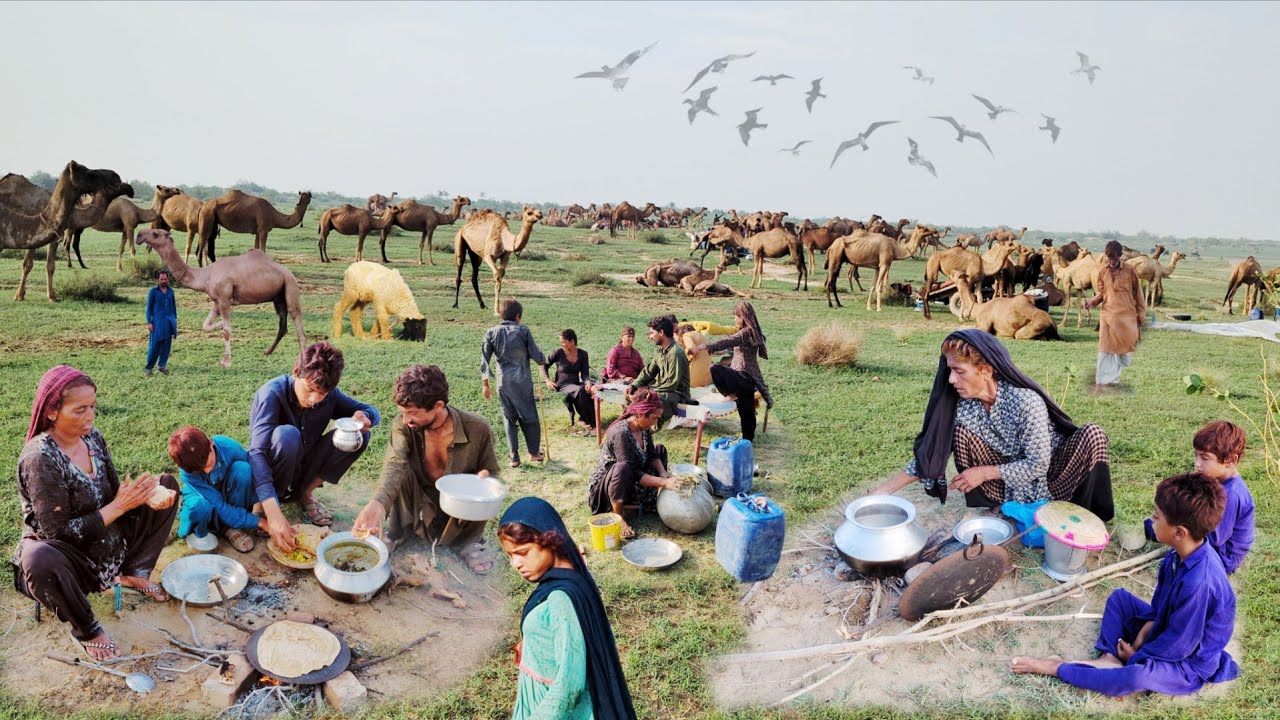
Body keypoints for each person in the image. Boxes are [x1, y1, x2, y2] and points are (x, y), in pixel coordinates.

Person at [1012, 472, 1240, 697]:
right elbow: (1158, 610)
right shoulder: (1177, 554)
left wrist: (1137, 657)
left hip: (1186, 662)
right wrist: (1140, 638)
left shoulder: (1199, 583)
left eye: (1157, 517)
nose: (1152, 520)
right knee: (1119, 600)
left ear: (1179, 532)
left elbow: (1177, 646)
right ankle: (1109, 659)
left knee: (1135, 677)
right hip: (1167, 628)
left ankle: (1058, 668)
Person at [12, 366, 178, 660]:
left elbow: (113, 490)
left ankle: (130, 573)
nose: (90, 417)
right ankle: (88, 630)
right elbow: (58, 533)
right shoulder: (40, 458)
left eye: (93, 407)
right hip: (68, 561)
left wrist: (145, 497)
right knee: (37, 557)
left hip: (106, 541)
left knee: (165, 484)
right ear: (52, 411)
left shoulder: (93, 438)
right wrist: (119, 507)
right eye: (80, 410)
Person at [870, 329, 1114, 521]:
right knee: (959, 431)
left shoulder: (1025, 402)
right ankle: (999, 505)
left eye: (959, 371)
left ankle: (1075, 514)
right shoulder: (963, 406)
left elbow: (1038, 464)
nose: (951, 379)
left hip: (1050, 479)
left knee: (1093, 434)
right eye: (949, 370)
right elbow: (931, 452)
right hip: (1004, 485)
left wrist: (983, 472)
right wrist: (884, 490)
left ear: (985, 370)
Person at [353, 365, 502, 574]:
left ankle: (467, 542)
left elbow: (491, 471)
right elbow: (395, 464)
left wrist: (483, 479)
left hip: (457, 504)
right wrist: (377, 504)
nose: (406, 420)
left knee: (478, 489)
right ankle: (396, 532)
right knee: (401, 471)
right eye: (403, 413)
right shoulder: (403, 426)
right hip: (417, 495)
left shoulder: (478, 429)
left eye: (412, 413)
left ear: (438, 405)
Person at [499, 497, 637, 720]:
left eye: (522, 552)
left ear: (549, 541)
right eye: (510, 555)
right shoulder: (572, 576)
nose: (516, 564)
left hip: (551, 707)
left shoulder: (561, 599)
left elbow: (569, 686)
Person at [249, 342, 379, 547]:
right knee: (287, 435)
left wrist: (365, 417)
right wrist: (272, 511)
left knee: (360, 436)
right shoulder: (272, 394)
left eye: (323, 394)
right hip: (277, 465)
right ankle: (266, 504)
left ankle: (305, 493)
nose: (315, 399)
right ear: (296, 373)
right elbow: (256, 453)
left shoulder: (329, 396)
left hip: (307, 462)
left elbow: (371, 410)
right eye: (310, 389)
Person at [1144, 420, 1254, 574]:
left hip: (1224, 556)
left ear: (1231, 461)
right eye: (1196, 456)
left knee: (1171, 531)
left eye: (1205, 458)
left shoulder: (1232, 494)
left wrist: (1173, 523)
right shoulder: (1215, 478)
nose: (1197, 464)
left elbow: (1213, 537)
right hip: (1214, 542)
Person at [588, 389, 679, 539]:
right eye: (654, 418)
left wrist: (663, 473)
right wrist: (664, 482)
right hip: (609, 487)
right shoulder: (621, 433)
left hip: (632, 477)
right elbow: (633, 472)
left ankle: (650, 500)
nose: (655, 423)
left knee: (660, 449)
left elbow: (653, 455)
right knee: (622, 468)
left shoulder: (644, 428)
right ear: (639, 414)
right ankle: (618, 515)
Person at [167, 426, 266, 553]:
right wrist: (260, 522)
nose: (208, 471)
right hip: (205, 498)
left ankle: (231, 527)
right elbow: (218, 504)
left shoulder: (229, 447)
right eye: (200, 470)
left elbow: (258, 480)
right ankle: (185, 529)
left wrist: (268, 510)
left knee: (243, 469)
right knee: (200, 506)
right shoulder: (187, 471)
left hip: (229, 493)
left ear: (211, 443)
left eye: (209, 463)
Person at [482, 299, 546, 468]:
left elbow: (484, 360)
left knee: (508, 417)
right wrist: (541, 357)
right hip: (522, 381)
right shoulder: (523, 330)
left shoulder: (491, 332)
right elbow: (537, 357)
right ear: (518, 316)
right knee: (529, 416)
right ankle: (533, 453)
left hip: (503, 382)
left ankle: (513, 456)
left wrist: (485, 383)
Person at [1084, 240, 1145, 388]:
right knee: (1104, 349)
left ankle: (1113, 377)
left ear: (1120, 256)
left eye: (1115, 259)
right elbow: (1102, 294)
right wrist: (1092, 302)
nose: (1112, 262)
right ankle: (1101, 382)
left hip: (1126, 317)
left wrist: (1141, 315)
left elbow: (1139, 295)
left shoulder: (1130, 271)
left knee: (1123, 354)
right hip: (1107, 317)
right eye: (1109, 259)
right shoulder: (1102, 272)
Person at [692, 301, 774, 410]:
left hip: (741, 374)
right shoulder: (755, 332)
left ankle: (734, 394)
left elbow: (726, 341)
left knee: (714, 369)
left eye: (737, 316)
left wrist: (701, 347)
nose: (735, 319)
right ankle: (744, 399)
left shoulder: (745, 333)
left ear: (744, 317)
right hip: (750, 374)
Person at [627, 315, 690, 424]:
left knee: (651, 398)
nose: (650, 337)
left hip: (676, 393)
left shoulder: (676, 353)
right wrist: (634, 385)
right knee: (633, 393)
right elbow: (648, 372)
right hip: (661, 389)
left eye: (652, 333)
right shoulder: (660, 351)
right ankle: (634, 423)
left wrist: (649, 392)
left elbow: (672, 384)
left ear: (661, 332)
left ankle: (647, 425)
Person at [544, 329, 597, 435]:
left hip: (575, 384)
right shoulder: (558, 353)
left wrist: (587, 382)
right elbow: (543, 365)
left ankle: (589, 420)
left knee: (591, 389)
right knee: (580, 390)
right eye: (561, 342)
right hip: (562, 385)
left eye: (564, 342)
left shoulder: (583, 354)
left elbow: (585, 374)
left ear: (572, 341)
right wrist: (548, 380)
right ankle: (589, 422)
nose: (562, 344)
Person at [145, 270, 177, 377]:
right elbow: (149, 308)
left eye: (165, 279)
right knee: (155, 345)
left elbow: (173, 307)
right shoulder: (153, 292)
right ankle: (149, 368)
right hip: (157, 323)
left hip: (169, 322)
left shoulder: (171, 291)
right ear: (158, 280)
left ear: (168, 279)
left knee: (166, 346)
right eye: (161, 279)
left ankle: (162, 365)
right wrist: (149, 322)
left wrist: (175, 320)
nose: (163, 281)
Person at [674, 323, 712, 389]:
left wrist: (683, 351)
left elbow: (693, 350)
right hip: (708, 379)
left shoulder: (686, 335)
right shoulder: (701, 336)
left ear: (684, 331)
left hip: (694, 380)